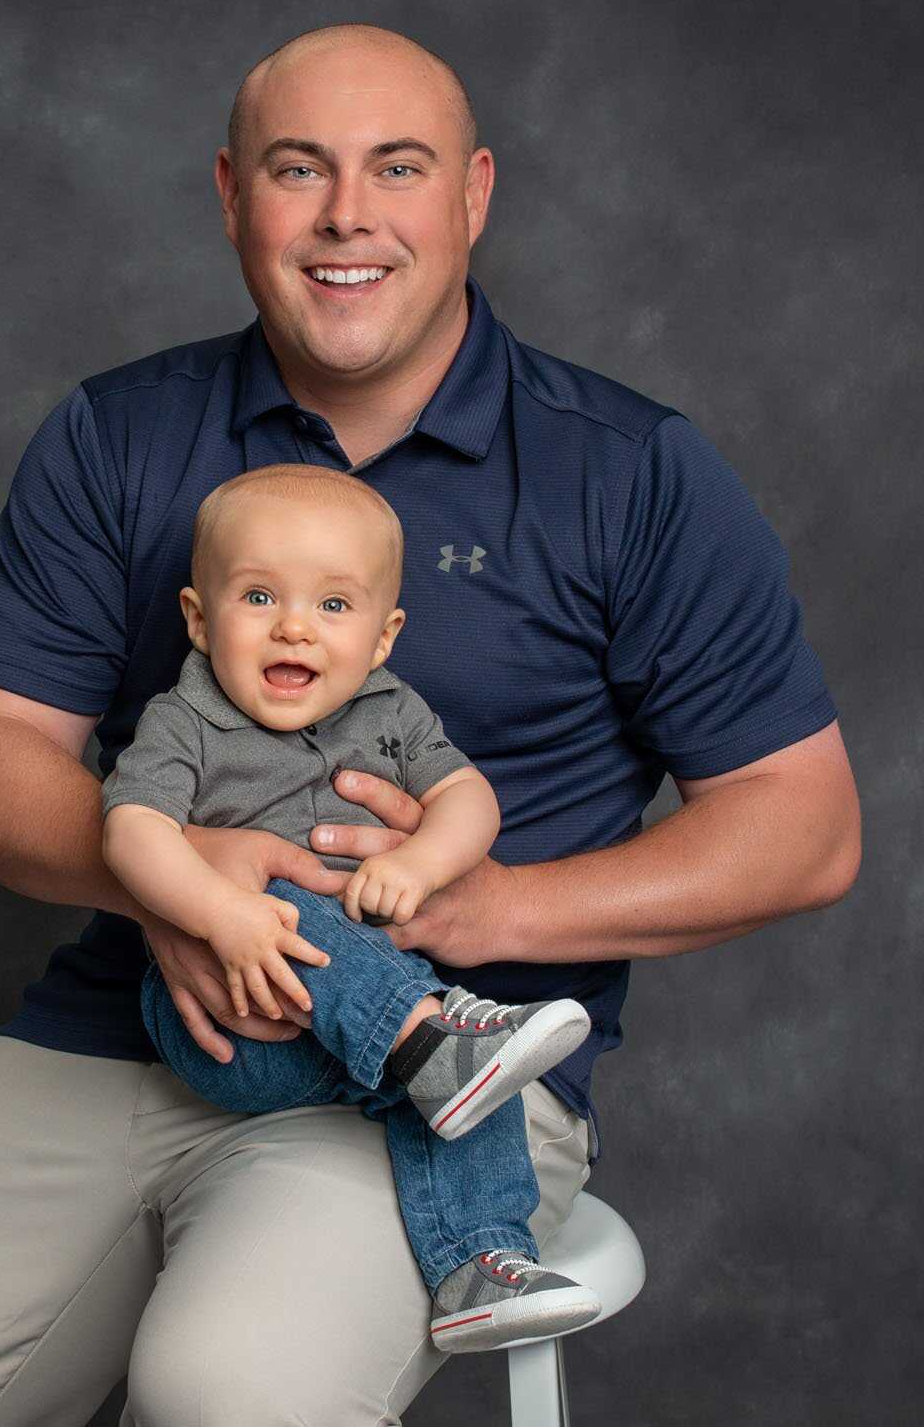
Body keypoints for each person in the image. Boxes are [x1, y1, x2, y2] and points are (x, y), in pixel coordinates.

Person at [0, 21, 861, 1427]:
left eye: (396, 169)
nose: (346, 215)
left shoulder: (629, 472)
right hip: (123, 1034)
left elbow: (804, 825)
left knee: (230, 1389)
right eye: (299, 169)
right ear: (231, 197)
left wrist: (488, 906)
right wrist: (174, 883)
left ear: (472, 195)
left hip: (430, 1081)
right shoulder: (118, 437)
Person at [103, 460, 603, 1352]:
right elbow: (131, 831)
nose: (295, 625)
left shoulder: (391, 710)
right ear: (197, 617)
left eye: (334, 606)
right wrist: (221, 913)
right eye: (258, 596)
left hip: (354, 1030)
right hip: (230, 1020)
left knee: (467, 1091)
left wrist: (420, 861)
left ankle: (482, 1266)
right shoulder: (186, 716)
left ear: (382, 636)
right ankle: (427, 1039)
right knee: (290, 889)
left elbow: (469, 800)